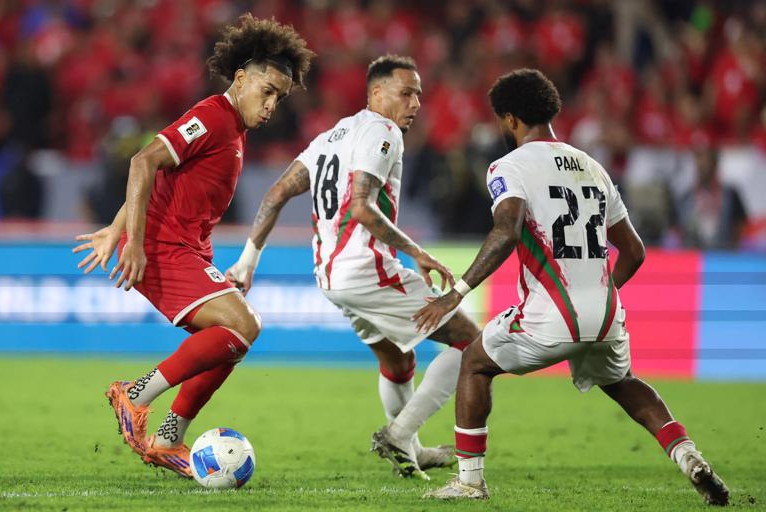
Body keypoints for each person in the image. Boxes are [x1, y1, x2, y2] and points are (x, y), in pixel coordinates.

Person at [414, 69, 729, 505]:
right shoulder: (591, 166)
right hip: (605, 313)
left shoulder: (508, 166)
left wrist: (457, 292)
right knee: (623, 383)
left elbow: (506, 231)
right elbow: (634, 251)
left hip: (551, 313)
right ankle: (689, 456)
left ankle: (470, 482)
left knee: (475, 362)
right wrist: (603, 291)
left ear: (510, 119)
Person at [72, 15, 315, 478]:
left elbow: (160, 176)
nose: (271, 105)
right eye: (266, 91)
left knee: (231, 342)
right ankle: (134, 394)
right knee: (245, 324)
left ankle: (168, 439)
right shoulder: (213, 117)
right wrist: (133, 241)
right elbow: (143, 161)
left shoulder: (233, 129)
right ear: (240, 79)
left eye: (279, 98)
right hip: (163, 247)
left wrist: (116, 227)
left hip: (187, 249)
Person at [225, 55, 481, 480]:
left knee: (397, 361)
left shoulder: (330, 136)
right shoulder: (384, 132)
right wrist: (417, 252)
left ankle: (411, 451)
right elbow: (361, 207)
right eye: (406, 93)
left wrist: (246, 261)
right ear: (377, 93)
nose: (415, 104)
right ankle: (400, 433)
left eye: (418, 95)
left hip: (330, 276)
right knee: (473, 344)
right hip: (366, 269)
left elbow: (275, 194)